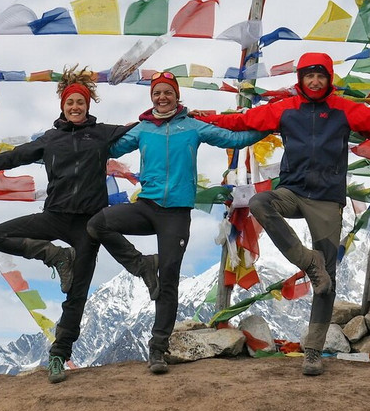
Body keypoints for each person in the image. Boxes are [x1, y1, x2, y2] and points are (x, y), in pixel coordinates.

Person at [193, 52, 370, 376]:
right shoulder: (285, 110)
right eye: (308, 76)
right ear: (300, 80)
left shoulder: (344, 110)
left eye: (320, 76)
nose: (314, 81)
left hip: (326, 200)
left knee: (327, 282)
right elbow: (243, 121)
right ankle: (309, 262)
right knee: (259, 203)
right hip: (292, 192)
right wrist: (205, 117)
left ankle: (313, 350)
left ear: (328, 79)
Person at [0, 67, 146, 384]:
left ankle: (58, 357)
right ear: (62, 106)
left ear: (88, 106)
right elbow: (10, 159)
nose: (75, 107)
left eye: (80, 102)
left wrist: (167, 113)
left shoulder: (103, 133)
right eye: (70, 103)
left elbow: (143, 129)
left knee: (76, 295)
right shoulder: (50, 139)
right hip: (55, 216)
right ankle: (55, 256)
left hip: (89, 224)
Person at [87, 70, 266, 375]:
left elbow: (234, 138)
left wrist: (271, 125)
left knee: (169, 277)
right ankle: (142, 264)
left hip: (177, 214)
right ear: (151, 97)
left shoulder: (193, 127)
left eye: (167, 92)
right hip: (146, 206)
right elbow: (109, 148)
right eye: (157, 93)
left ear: (176, 95)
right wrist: (76, 139)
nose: (162, 97)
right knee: (98, 224)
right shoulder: (142, 129)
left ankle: (158, 349)